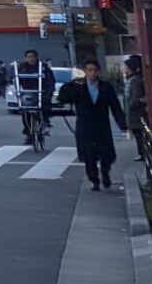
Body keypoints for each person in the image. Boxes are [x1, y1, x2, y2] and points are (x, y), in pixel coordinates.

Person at [55, 62, 128, 190]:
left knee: (106, 153)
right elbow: (63, 97)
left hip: (102, 124)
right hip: (85, 125)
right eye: (90, 70)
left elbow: (115, 105)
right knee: (89, 155)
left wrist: (122, 123)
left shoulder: (106, 87)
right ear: (85, 71)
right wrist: (69, 85)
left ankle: (105, 172)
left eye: (95, 70)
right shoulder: (79, 86)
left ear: (98, 71)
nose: (93, 73)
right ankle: (94, 180)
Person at [14, 49, 56, 145]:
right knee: (25, 112)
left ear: (36, 57)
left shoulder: (43, 67)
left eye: (32, 57)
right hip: (28, 92)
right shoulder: (22, 67)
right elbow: (17, 80)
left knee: (45, 106)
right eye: (29, 57)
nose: (31, 59)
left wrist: (49, 91)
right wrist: (18, 92)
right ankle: (29, 134)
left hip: (42, 92)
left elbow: (51, 80)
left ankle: (45, 122)